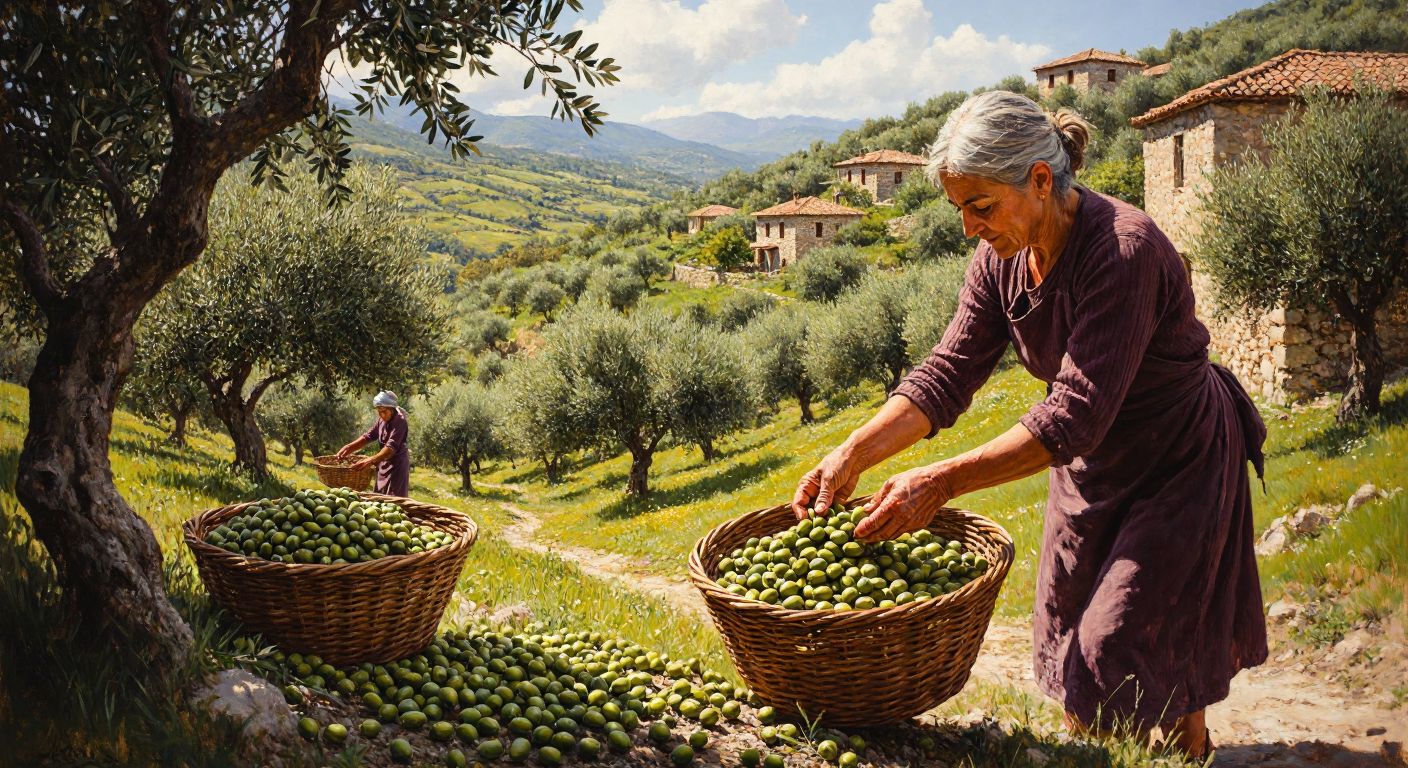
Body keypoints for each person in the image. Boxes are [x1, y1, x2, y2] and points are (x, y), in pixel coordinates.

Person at [791, 90, 1267, 758]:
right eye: (959, 209)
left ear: (1040, 180)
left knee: (1122, 642)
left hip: (1176, 462)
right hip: (1090, 469)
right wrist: (853, 452)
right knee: (1076, 644)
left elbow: (1074, 413)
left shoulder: (1122, 251)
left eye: (980, 206)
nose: (968, 228)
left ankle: (1187, 747)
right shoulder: (1000, 258)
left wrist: (942, 481)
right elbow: (948, 372)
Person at [337, 390, 412, 497]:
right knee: (379, 499)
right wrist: (349, 447)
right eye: (379, 412)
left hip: (397, 466)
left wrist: (370, 460)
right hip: (383, 463)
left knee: (394, 502)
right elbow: (369, 436)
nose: (381, 415)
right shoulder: (382, 420)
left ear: (391, 409)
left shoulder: (400, 421)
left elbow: (390, 448)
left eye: (384, 412)